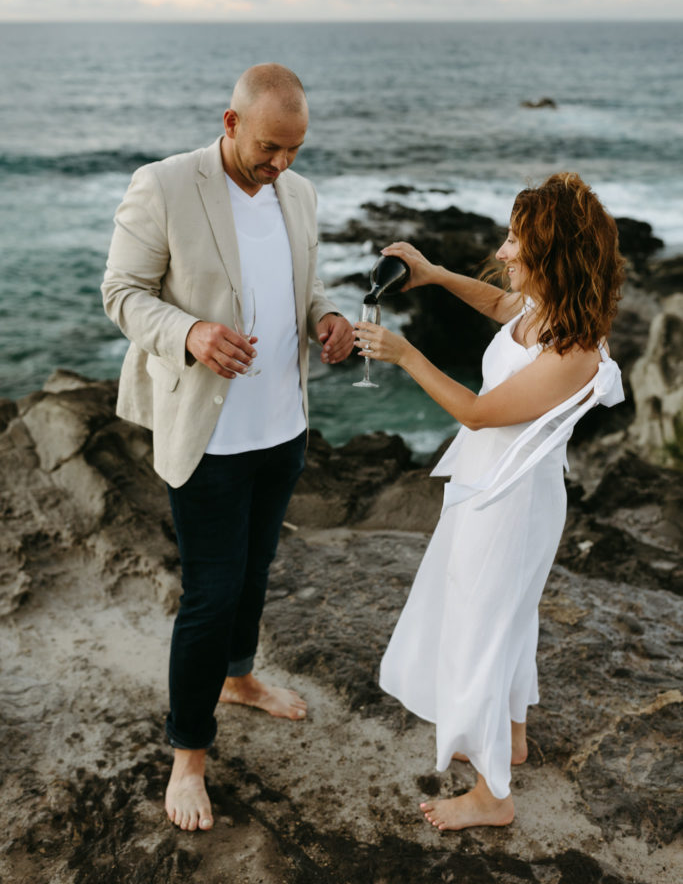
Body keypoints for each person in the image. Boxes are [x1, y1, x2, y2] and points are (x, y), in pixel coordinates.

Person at [102, 63, 353, 833]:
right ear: (231, 121)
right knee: (210, 595)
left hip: (282, 427)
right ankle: (187, 755)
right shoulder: (165, 184)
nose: (281, 165)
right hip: (208, 438)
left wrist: (330, 316)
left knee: (253, 573)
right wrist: (191, 332)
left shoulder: (298, 194)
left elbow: (302, 286)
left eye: (295, 150)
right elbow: (122, 292)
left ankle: (238, 679)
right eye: (270, 148)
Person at [353, 172, 625, 831]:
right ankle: (510, 733)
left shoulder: (574, 349)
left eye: (513, 241)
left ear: (550, 253)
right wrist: (436, 276)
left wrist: (404, 354)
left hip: (510, 503)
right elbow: (505, 314)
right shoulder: (546, 313)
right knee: (504, 620)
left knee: (478, 631)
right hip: (493, 490)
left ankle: (491, 795)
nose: (502, 253)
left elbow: (477, 413)